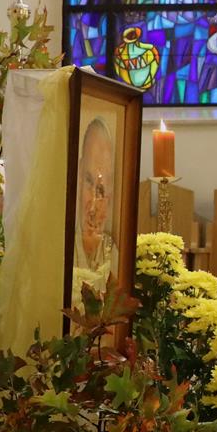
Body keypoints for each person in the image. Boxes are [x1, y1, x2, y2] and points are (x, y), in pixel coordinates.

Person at [71, 117, 118, 306]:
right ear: (78, 174)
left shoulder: (114, 256)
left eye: (101, 190)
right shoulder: (58, 248)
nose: (93, 206)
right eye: (89, 181)